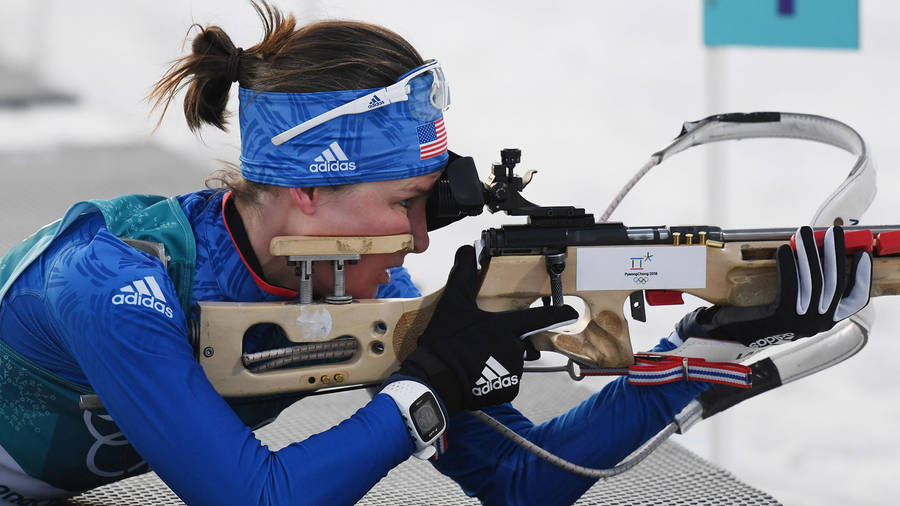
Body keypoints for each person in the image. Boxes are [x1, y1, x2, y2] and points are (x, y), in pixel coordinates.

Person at [0, 2, 872, 505]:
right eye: (408, 205)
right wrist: (429, 387)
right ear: (308, 187)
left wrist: (710, 346)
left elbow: (519, 481)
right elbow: (253, 501)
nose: (420, 239)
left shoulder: (354, 279)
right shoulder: (112, 278)